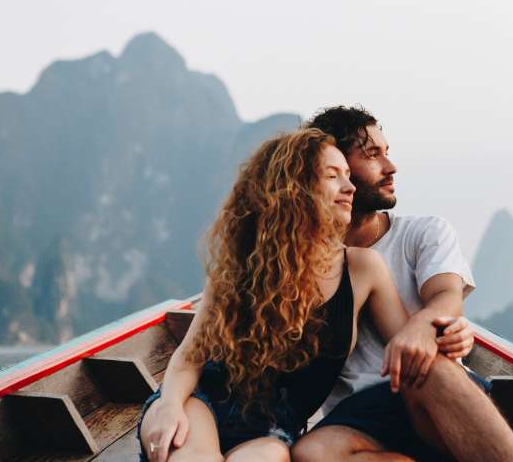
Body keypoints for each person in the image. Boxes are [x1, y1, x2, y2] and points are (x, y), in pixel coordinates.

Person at [137, 128, 411, 462]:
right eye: (332, 176)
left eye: (348, 175)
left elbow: (409, 343)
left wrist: (438, 324)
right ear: (295, 189)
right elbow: (189, 358)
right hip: (196, 406)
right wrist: (168, 406)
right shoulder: (240, 266)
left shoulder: (362, 268)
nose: (350, 186)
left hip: (272, 435)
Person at [293, 107, 513, 462]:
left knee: (424, 364)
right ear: (334, 168)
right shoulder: (302, 259)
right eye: (372, 155)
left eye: (386, 152)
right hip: (359, 414)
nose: (390, 167)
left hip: (432, 392)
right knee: (311, 453)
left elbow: (446, 295)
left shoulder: (423, 233)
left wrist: (421, 327)